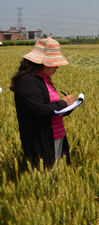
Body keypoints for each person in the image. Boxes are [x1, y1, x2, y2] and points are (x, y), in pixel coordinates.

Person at [10, 37, 76, 168]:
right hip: (42, 140)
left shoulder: (43, 79)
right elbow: (38, 109)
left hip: (56, 136)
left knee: (59, 177)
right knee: (49, 177)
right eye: (54, 63)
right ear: (42, 63)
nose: (57, 67)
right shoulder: (27, 81)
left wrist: (68, 108)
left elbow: (50, 108)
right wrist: (63, 103)